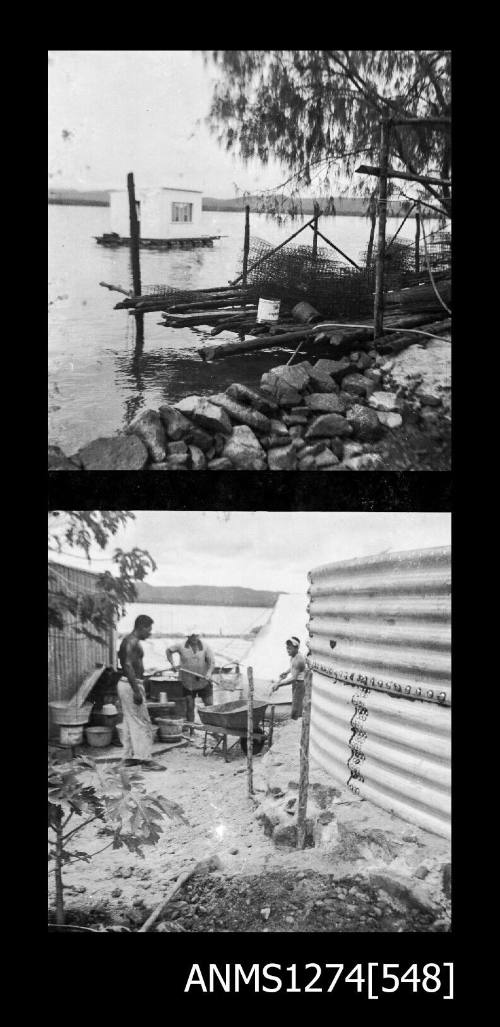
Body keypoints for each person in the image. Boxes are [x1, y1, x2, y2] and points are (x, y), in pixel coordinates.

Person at [117, 615, 165, 770]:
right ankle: (145, 760)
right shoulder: (131, 642)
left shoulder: (130, 641)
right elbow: (127, 665)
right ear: (141, 627)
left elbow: (132, 665)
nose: (150, 633)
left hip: (129, 683)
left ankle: (129, 757)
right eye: (149, 629)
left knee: (130, 721)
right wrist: (136, 690)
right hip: (131, 685)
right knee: (142, 721)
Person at [166, 632, 215, 724]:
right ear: (188, 636)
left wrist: (209, 673)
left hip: (203, 681)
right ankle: (191, 730)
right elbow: (168, 650)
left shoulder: (205, 646)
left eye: (196, 636)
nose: (194, 638)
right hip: (187, 682)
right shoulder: (181, 645)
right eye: (192, 636)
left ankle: (213, 729)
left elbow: (211, 663)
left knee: (210, 706)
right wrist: (172, 664)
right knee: (190, 706)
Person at [270, 636, 306, 719]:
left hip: (299, 684)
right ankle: (297, 718)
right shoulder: (294, 656)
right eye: (287, 648)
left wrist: (279, 684)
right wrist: (286, 672)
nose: (288, 650)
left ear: (296, 648)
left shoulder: (298, 660)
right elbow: (292, 667)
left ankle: (296, 721)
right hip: (296, 684)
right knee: (296, 704)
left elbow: (293, 678)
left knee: (296, 708)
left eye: (290, 648)